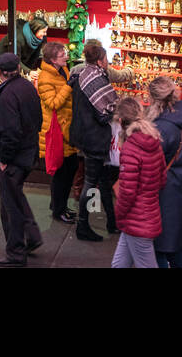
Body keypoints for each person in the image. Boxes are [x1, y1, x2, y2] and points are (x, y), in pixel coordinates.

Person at [0, 51, 42, 266]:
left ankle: (16, 253)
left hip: (14, 157)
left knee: (10, 206)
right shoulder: (27, 87)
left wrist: (4, 159)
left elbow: (10, 131)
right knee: (16, 197)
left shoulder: (8, 95)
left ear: (1, 72)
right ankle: (32, 236)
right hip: (29, 152)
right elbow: (37, 119)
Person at [70, 39, 117, 242]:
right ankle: (83, 225)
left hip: (83, 133)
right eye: (106, 58)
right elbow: (104, 112)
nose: (107, 62)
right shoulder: (97, 80)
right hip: (94, 136)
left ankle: (112, 222)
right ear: (100, 61)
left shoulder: (81, 74)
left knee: (103, 180)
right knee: (91, 181)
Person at [147, 76, 182, 268]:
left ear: (151, 98)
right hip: (179, 188)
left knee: (166, 250)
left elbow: (152, 166)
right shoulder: (180, 116)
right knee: (169, 250)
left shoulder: (162, 128)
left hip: (166, 195)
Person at [111, 96, 163, 267]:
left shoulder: (130, 148)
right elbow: (163, 178)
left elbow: (127, 192)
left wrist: (118, 213)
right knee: (119, 264)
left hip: (136, 218)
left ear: (120, 120)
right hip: (148, 213)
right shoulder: (154, 139)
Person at [36, 41, 78, 224]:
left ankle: (60, 205)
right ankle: (59, 209)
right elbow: (53, 103)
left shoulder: (63, 70)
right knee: (61, 174)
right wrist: (68, 86)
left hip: (66, 130)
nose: (66, 57)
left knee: (70, 168)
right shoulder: (45, 77)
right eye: (63, 55)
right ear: (53, 59)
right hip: (56, 132)